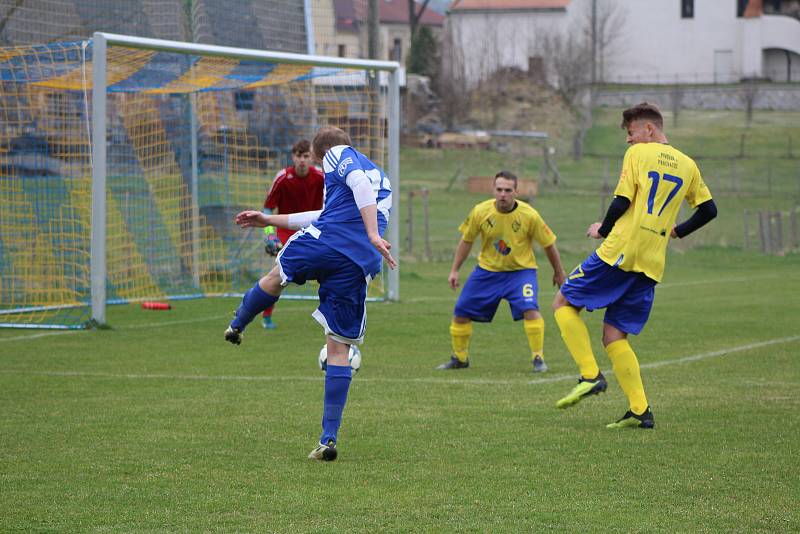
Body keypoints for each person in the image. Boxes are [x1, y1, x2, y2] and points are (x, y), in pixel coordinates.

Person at [223, 126, 395, 461]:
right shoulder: (382, 177)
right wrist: (268, 219)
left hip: (328, 243)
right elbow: (324, 213)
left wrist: (373, 233)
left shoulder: (338, 153)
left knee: (276, 276)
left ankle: (238, 323)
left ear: (319, 154)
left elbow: (355, 188)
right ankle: (328, 439)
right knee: (338, 347)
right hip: (358, 263)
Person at [552, 102, 717, 429]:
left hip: (620, 251)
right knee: (614, 335)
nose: (628, 140)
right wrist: (678, 231)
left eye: (631, 133)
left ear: (649, 130)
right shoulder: (688, 165)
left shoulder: (638, 155)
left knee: (563, 302)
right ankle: (640, 411)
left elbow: (622, 200)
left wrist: (603, 229)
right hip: (652, 262)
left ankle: (590, 375)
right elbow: (709, 210)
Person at [437, 171, 567, 372]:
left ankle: (538, 358)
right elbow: (466, 241)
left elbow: (549, 244)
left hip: (521, 272)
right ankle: (460, 359)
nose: (503, 194)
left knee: (530, 309)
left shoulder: (529, 215)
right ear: (493, 190)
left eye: (508, 190)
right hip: (487, 272)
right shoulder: (480, 211)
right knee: (460, 312)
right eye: (499, 190)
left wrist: (558, 272)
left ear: (516, 191)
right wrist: (454, 270)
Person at [260, 139, 325, 330]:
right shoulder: (282, 178)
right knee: (279, 275)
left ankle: (330, 316)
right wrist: (270, 235)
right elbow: (267, 209)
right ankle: (266, 315)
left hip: (312, 229)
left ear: (312, 157)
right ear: (292, 157)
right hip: (285, 230)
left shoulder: (321, 177)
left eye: (306, 156)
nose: (302, 160)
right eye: (299, 156)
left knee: (328, 271)